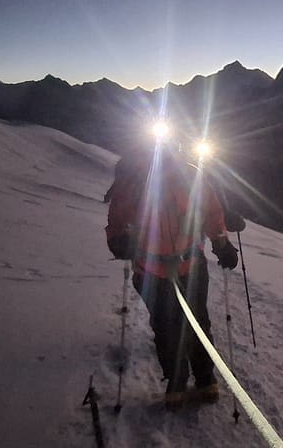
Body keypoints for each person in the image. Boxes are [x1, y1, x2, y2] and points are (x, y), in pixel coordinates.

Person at [105, 146, 239, 410]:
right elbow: (117, 221)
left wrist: (222, 243)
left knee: (196, 320)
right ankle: (178, 380)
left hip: (186, 265)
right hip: (152, 270)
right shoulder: (131, 181)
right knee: (167, 326)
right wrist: (118, 241)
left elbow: (211, 212)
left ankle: (204, 378)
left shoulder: (190, 177)